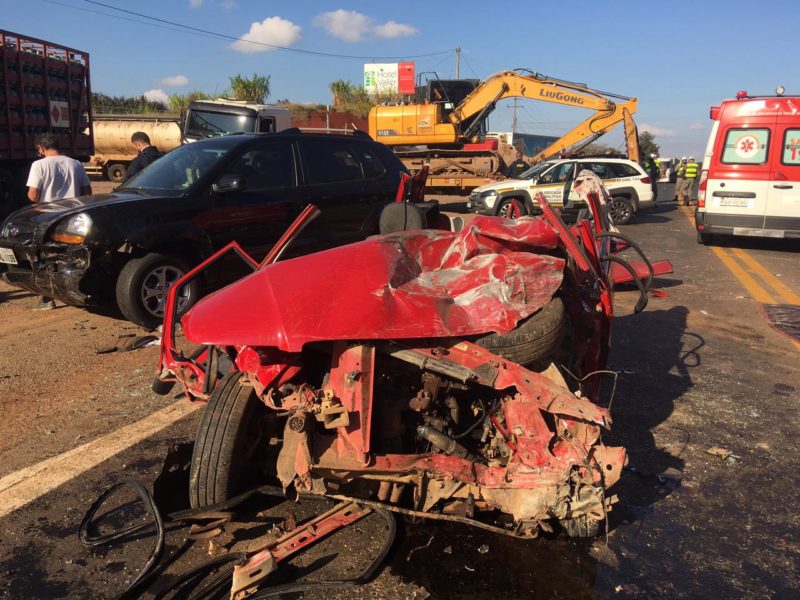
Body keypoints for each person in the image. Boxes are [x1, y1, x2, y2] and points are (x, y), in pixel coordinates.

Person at [26, 132, 92, 310]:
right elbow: (88, 192)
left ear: (41, 148)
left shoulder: (38, 165)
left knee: (46, 256)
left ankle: (47, 298)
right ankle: (78, 291)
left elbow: (33, 195)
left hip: (48, 217)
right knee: (74, 255)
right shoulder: (76, 163)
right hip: (73, 216)